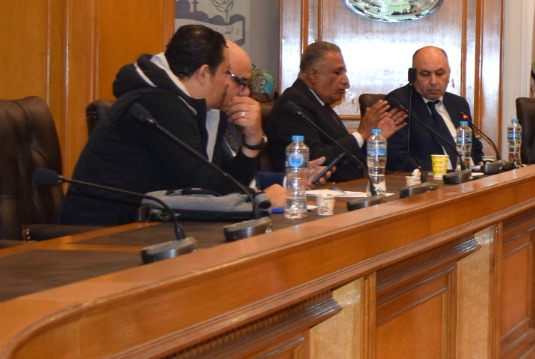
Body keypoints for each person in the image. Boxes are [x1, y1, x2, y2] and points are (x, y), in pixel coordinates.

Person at [61, 26, 275, 225]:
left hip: (151, 225)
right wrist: (262, 199)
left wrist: (252, 142)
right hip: (103, 232)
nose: (228, 84)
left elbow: (224, 182)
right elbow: (205, 190)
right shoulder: (158, 105)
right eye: (225, 73)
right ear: (203, 74)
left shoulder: (198, 110)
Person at [265, 41, 405, 181]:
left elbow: (347, 157)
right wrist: (361, 134)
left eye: (344, 72)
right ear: (313, 75)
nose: (346, 82)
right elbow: (315, 161)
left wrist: (373, 139)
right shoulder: (293, 105)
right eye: (337, 72)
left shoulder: (320, 104)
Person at [382, 46, 484, 172]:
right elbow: (396, 159)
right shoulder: (400, 103)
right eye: (425, 74)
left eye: (440, 73)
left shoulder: (458, 104)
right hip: (432, 179)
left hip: (470, 177)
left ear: (449, 73)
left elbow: (475, 149)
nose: (433, 81)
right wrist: (443, 170)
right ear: (413, 75)